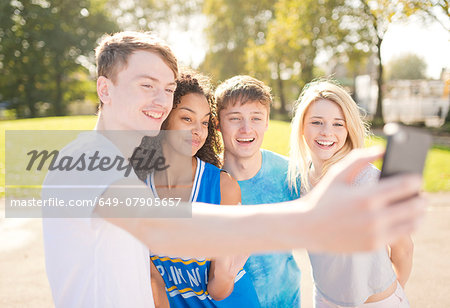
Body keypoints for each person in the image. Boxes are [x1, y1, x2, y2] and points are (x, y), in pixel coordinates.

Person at [41, 31, 425, 308]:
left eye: (168, 88)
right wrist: (307, 220)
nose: (161, 100)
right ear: (104, 89)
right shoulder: (84, 163)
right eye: (146, 85)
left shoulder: (126, 166)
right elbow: (162, 227)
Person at [288, 80, 413, 307]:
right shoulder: (298, 180)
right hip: (325, 300)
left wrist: (395, 295)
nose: (327, 132)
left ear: (348, 129)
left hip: (377, 302)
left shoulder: (366, 180)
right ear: (302, 126)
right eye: (317, 122)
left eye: (338, 124)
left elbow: (402, 247)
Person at [147, 71, 259, 307]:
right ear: (163, 118)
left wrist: (227, 270)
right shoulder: (138, 188)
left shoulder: (222, 187)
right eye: (187, 119)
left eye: (205, 122)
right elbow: (153, 279)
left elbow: (219, 289)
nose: (198, 130)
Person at [215, 75, 301, 307]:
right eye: (235, 118)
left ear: (266, 122)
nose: (246, 128)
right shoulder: (205, 181)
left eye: (256, 118)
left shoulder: (290, 174)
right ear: (218, 123)